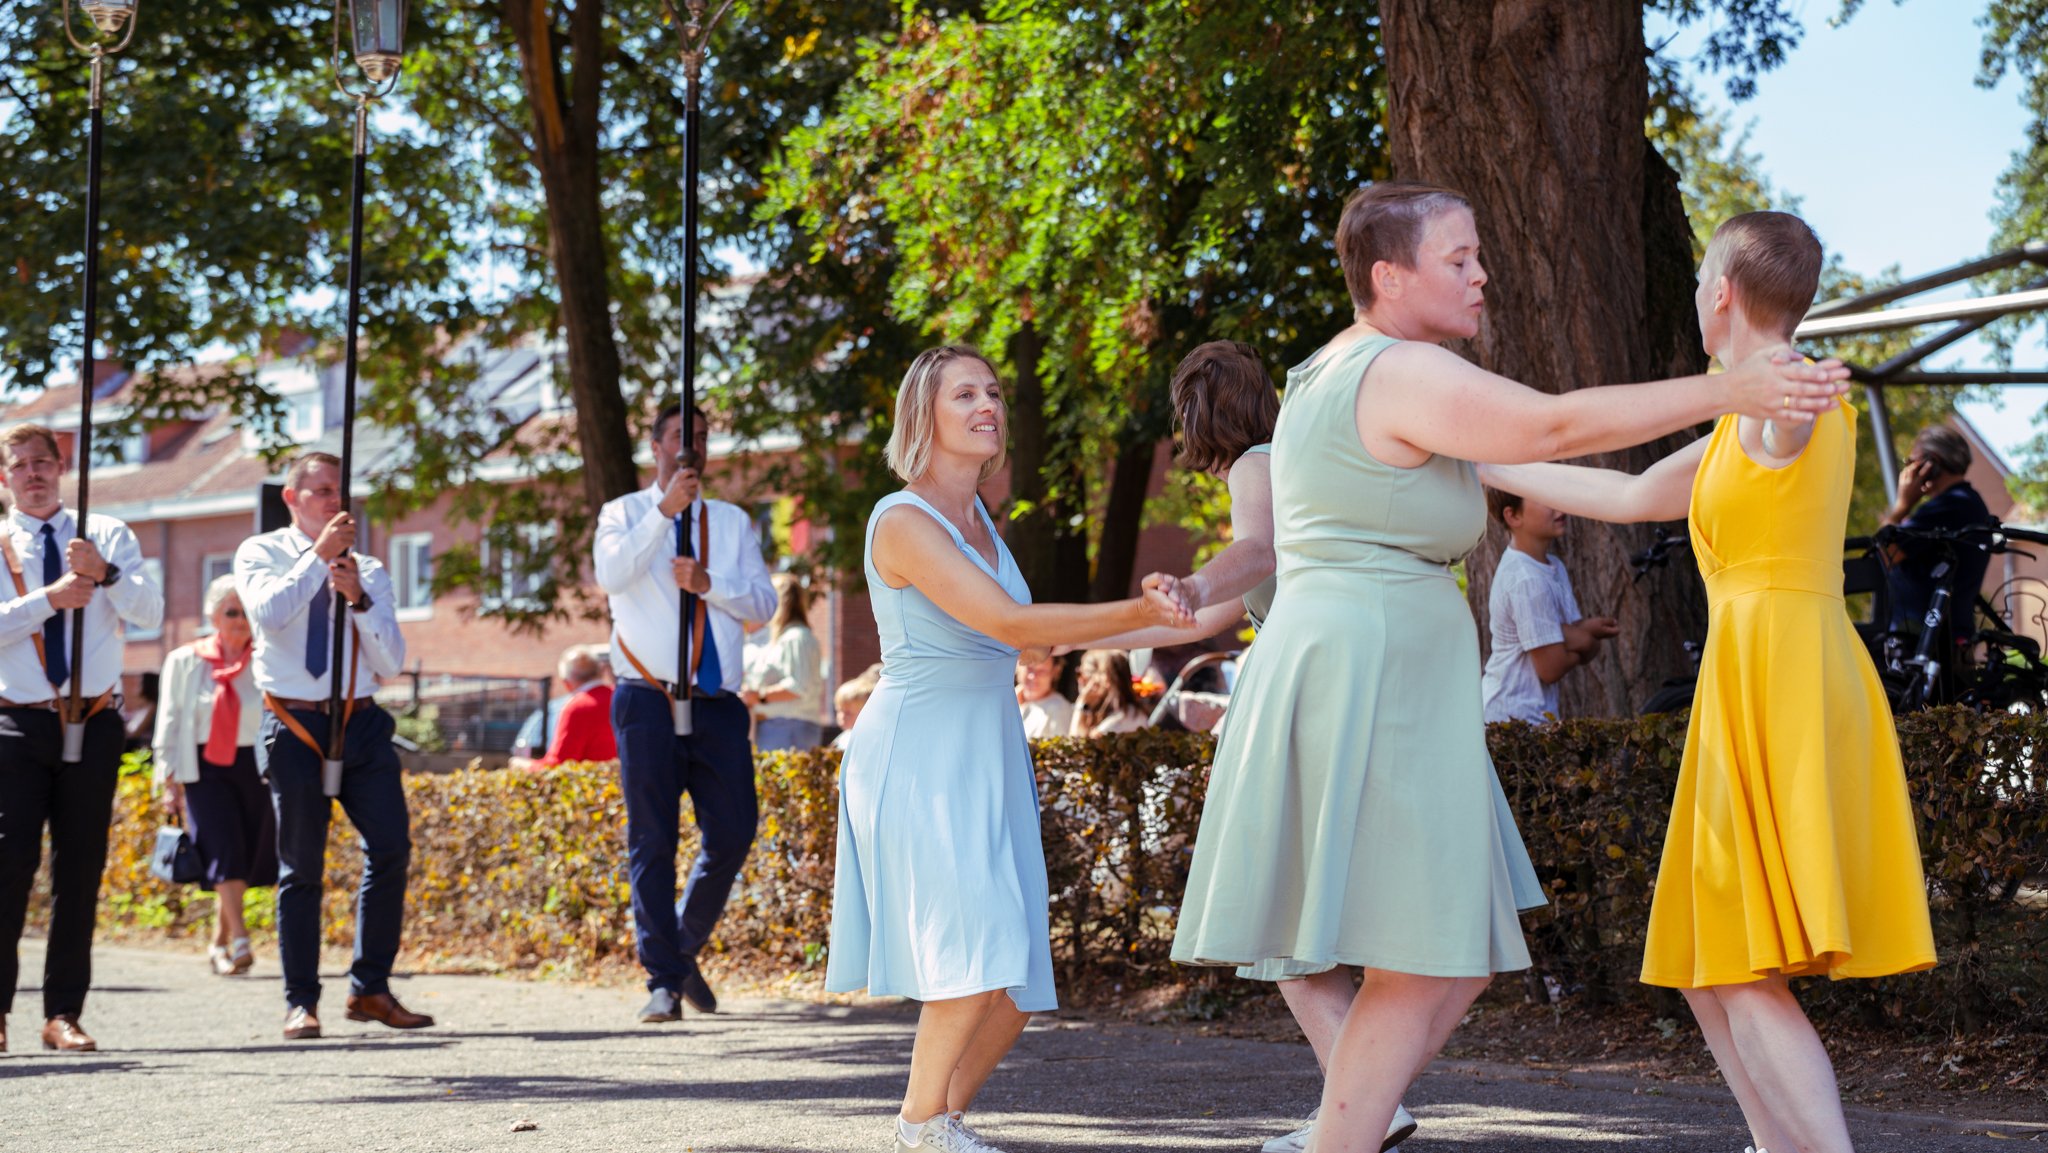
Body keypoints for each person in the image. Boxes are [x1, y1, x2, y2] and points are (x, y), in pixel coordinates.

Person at [1167, 183, 1852, 1153]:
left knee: (1443, 958)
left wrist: (1708, 433)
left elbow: (1560, 473)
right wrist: (1724, 389)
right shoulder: (1396, 370)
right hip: (1372, 673)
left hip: (1373, 667)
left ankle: (1344, 1135)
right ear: (1388, 275)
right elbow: (1549, 428)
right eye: (1458, 259)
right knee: (1426, 955)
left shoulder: (1333, 370)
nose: (1481, 272)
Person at [1480, 211, 1934, 1153]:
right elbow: (1626, 493)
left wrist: (1782, 386)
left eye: (1697, 284)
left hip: (1780, 675)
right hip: (1756, 673)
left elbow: (1779, 411)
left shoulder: (1786, 401)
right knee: (1704, 961)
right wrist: (1479, 458)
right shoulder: (1746, 415)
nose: (1693, 298)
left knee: (1738, 964)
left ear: (1722, 291)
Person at [826, 345, 1187, 1153]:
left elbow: (1050, 630)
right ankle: (919, 1127)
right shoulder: (902, 519)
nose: (988, 402)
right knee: (973, 951)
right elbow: (1017, 628)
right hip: (920, 752)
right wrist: (1137, 603)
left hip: (986, 746)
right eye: (966, 393)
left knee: (1016, 974)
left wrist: (1178, 611)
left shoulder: (981, 519)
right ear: (924, 415)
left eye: (993, 388)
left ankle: (937, 1122)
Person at [236, 451, 431, 1041]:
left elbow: (391, 661)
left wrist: (359, 600)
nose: (331, 501)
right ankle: (302, 1000)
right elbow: (270, 615)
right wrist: (317, 560)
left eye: (337, 491)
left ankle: (370, 987)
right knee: (301, 866)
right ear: (292, 498)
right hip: (294, 723)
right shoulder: (260, 554)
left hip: (361, 720)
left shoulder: (367, 568)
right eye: (318, 491)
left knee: (391, 848)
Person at [595, 402, 777, 1022]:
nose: (690, 447)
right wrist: (661, 515)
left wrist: (709, 584)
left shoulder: (730, 522)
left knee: (733, 829)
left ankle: (680, 944)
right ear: (656, 447)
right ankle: (662, 983)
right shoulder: (621, 513)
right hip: (645, 695)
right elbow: (612, 574)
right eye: (679, 437)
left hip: (715, 701)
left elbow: (764, 601)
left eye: (700, 437)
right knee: (652, 836)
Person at [0, 423, 164, 1054]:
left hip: (94, 720)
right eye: (20, 465)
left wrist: (107, 574)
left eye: (44, 462)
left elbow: (150, 614)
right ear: (6, 476)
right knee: (9, 868)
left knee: (81, 870)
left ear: (62, 466)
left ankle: (63, 1012)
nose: (34, 473)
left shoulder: (107, 533)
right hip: (18, 721)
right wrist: (50, 598)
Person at [153, 575, 276, 976]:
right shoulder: (186, 660)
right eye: (231, 611)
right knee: (223, 849)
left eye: (246, 612)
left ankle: (218, 942)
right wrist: (167, 778)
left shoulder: (267, 660)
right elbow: (169, 720)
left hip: (255, 767)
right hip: (203, 768)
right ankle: (240, 938)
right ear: (213, 615)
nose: (239, 620)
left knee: (244, 852)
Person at [1478, 490, 1618, 724]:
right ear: (1513, 517)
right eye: (1545, 502)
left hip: (1534, 718)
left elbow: (1565, 632)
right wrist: (1586, 640)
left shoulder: (1554, 566)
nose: (1560, 509)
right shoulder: (1526, 579)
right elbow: (1551, 668)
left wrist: (1582, 630)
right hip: (1509, 720)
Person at [1881, 423, 1997, 636]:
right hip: (1939, 633)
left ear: (1931, 464)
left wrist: (1900, 507)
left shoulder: (1948, 506)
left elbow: (1884, 553)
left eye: (1912, 462)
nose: (1908, 470)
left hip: (1923, 638)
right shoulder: (1965, 502)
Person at [746, 573, 827, 752]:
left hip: (789, 728)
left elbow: (797, 686)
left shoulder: (796, 638)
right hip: (779, 727)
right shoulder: (784, 639)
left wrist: (759, 695)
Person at [539, 644, 616, 766]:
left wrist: (523, 765)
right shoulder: (619, 697)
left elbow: (560, 763)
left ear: (567, 683)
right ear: (600, 672)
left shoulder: (577, 708)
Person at [1069, 649, 1148, 737]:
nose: (1080, 680)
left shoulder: (1121, 720)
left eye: (1081, 674)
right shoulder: (1127, 713)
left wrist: (1081, 704)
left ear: (1104, 680)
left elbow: (1075, 745)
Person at [1013, 651, 1073, 739]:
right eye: (1029, 668)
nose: (1032, 676)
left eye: (1041, 671)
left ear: (1055, 672)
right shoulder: (1006, 699)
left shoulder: (1058, 709)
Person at [830, 665, 882, 753]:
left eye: (848, 713)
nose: (842, 716)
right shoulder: (841, 739)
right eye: (839, 711)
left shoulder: (869, 740)